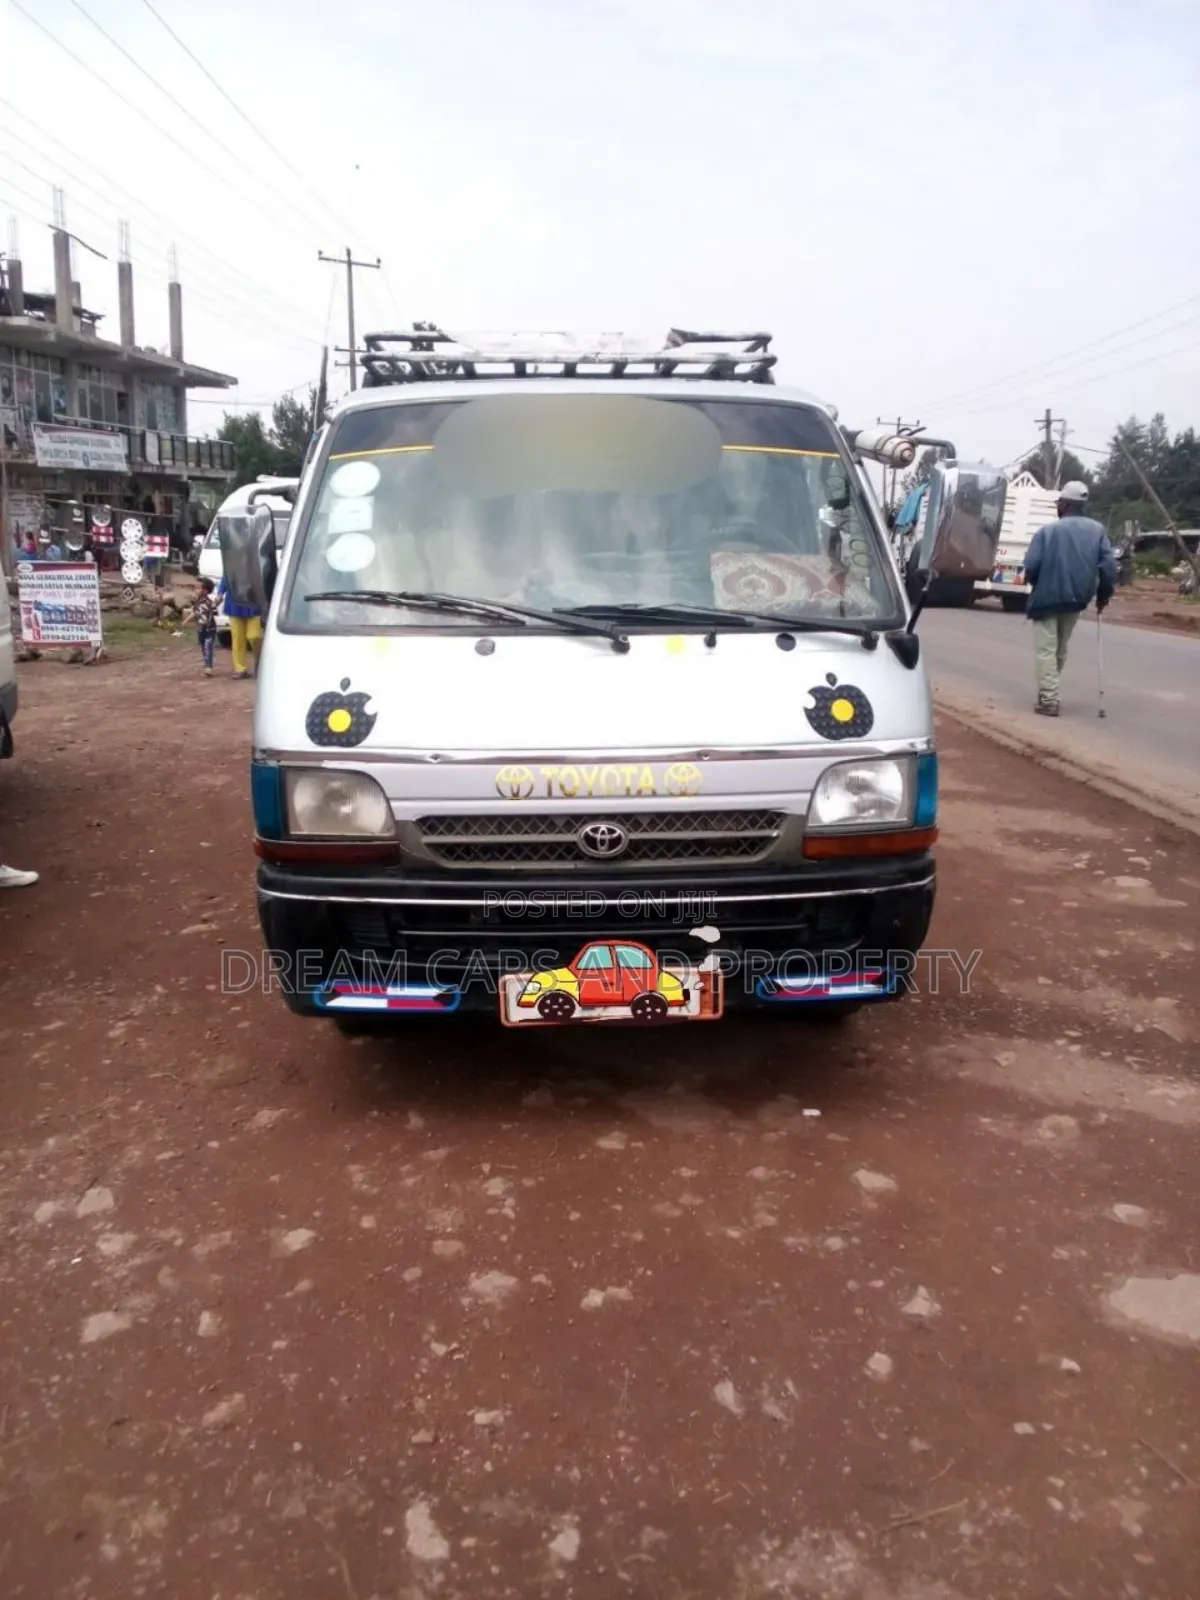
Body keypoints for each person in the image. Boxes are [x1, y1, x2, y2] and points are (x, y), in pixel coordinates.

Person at [1022, 480, 1117, 717]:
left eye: (1059, 503)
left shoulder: (1047, 532)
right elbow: (1108, 568)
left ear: (1064, 505)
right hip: (1077, 599)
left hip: (1046, 598)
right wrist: (1103, 596)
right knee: (1060, 648)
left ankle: (1049, 699)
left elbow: (1031, 566)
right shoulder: (1098, 531)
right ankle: (1049, 690)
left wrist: (1036, 582)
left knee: (1046, 649)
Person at [216, 570, 261, 680]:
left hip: (254, 603)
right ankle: (240, 669)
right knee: (238, 639)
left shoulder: (256, 561)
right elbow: (226, 576)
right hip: (235, 603)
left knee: (254, 636)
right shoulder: (233, 561)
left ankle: (259, 661)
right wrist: (220, 593)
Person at [194, 577, 218, 677]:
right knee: (204, 648)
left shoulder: (209, 602)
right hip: (200, 628)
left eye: (198, 588)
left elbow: (214, 611)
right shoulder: (197, 602)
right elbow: (195, 613)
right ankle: (207, 666)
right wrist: (186, 621)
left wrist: (217, 602)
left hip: (209, 628)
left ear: (205, 590)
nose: (195, 590)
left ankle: (208, 668)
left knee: (208, 647)